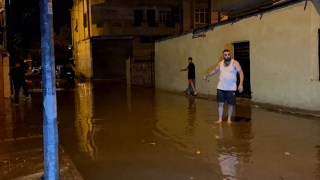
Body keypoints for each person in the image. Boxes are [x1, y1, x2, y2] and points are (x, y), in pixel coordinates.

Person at [203, 49, 244, 123]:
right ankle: (220, 119)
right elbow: (214, 71)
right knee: (220, 103)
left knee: (230, 104)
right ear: (223, 56)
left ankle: (229, 119)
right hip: (221, 87)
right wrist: (207, 75)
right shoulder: (220, 63)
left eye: (229, 54)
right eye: (226, 55)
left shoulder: (235, 63)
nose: (227, 56)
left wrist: (240, 84)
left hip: (231, 88)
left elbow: (241, 72)